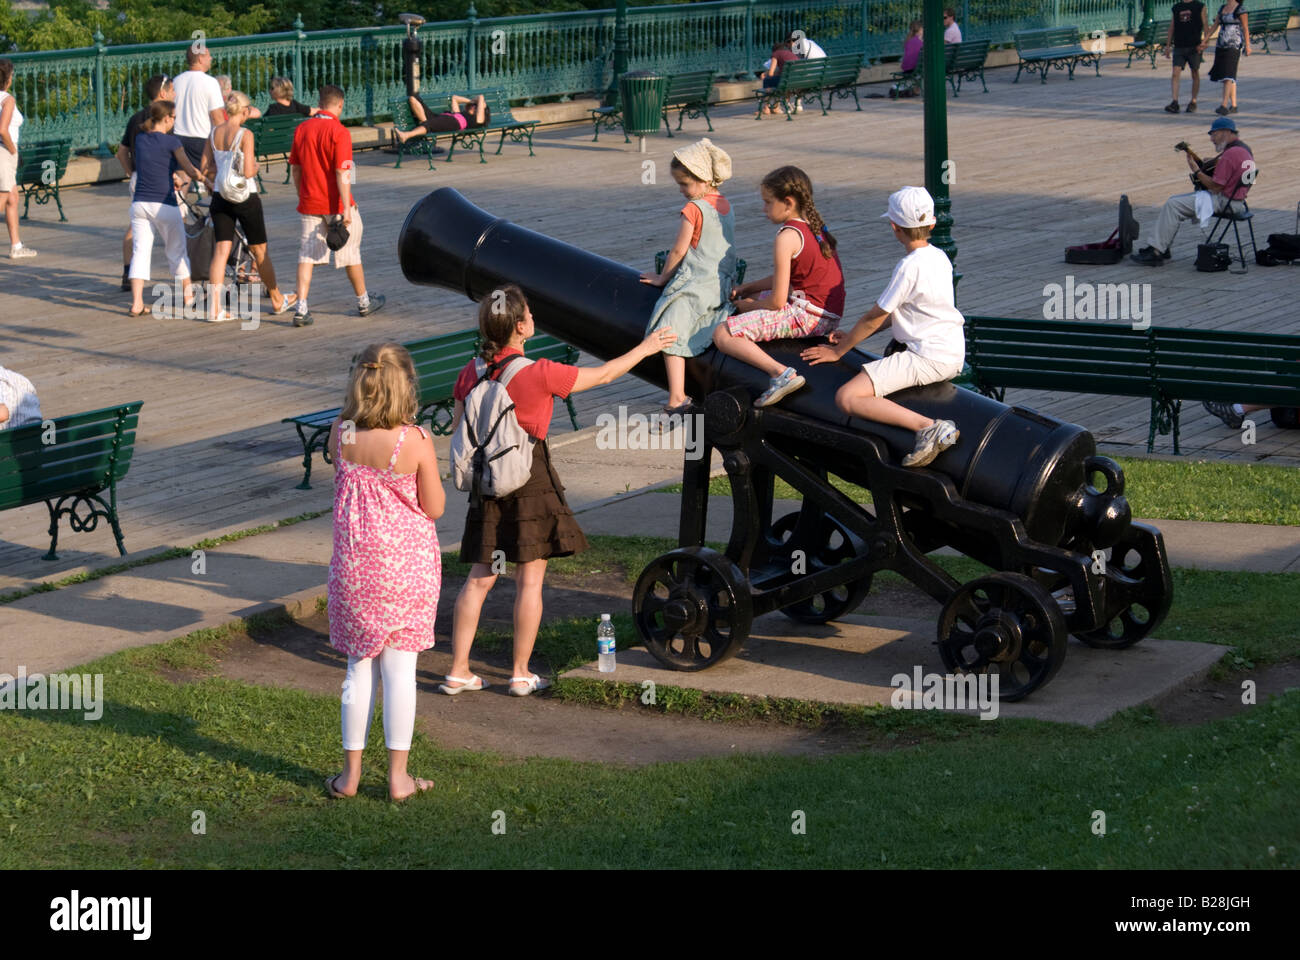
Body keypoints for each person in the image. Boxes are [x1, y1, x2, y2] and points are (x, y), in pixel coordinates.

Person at [441, 285, 676, 697]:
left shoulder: (469, 372)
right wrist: (647, 346)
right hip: (529, 482)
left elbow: (463, 429)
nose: (534, 318)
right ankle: (519, 672)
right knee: (529, 582)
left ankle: (458, 670)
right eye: (529, 314)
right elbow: (603, 375)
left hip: (488, 488)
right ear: (520, 327)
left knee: (480, 578)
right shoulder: (539, 372)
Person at [324, 342, 445, 802]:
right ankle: (398, 778)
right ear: (405, 386)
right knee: (401, 672)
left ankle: (349, 775)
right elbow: (433, 507)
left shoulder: (341, 433)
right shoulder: (413, 441)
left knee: (358, 669)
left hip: (356, 569)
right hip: (408, 571)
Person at [801, 186, 964, 468]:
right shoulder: (940, 258)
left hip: (926, 356)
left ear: (894, 227)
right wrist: (851, 338)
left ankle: (928, 427)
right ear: (933, 223)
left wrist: (839, 350)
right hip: (950, 352)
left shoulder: (908, 266)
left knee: (848, 397)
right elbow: (899, 314)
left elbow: (875, 316)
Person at [712, 165, 844, 407]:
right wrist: (747, 289)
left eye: (767, 202)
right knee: (753, 297)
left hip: (808, 316)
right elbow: (789, 278)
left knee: (723, 333)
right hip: (825, 312)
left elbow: (777, 302)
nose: (764, 209)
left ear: (788, 202)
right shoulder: (814, 228)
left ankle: (780, 373)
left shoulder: (786, 237)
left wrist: (744, 306)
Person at [639, 138, 736, 414]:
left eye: (685, 184)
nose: (682, 190)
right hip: (720, 283)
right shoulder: (726, 205)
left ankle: (677, 396)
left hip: (696, 284)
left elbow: (679, 250)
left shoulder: (694, 209)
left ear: (703, 179)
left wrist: (662, 278)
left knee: (668, 330)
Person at [289, 85, 385, 327]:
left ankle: (301, 308)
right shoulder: (340, 132)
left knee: (306, 256)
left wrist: (301, 194)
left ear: (320, 103)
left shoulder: (302, 128)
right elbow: (343, 171)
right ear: (340, 105)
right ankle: (364, 302)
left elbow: (296, 169)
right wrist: (345, 207)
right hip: (335, 203)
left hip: (310, 202)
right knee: (350, 252)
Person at [200, 90, 296, 321]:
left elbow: (204, 166)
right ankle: (276, 299)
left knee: (222, 250)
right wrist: (257, 168)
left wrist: (221, 172)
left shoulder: (213, 133)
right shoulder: (245, 134)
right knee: (259, 250)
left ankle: (214, 309)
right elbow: (247, 171)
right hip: (245, 197)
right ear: (243, 112)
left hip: (220, 196)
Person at [1130, 116, 1253, 265]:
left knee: (1173, 204)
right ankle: (1162, 245)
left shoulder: (1230, 155)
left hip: (1225, 202)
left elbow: (1215, 186)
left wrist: (1196, 171)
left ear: (1225, 132)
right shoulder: (1244, 149)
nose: (1211, 139)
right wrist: (1215, 162)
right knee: (1175, 202)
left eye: (1213, 134)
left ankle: (1157, 251)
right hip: (1239, 201)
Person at [126, 100, 209, 317]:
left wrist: (170, 175)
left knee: (140, 251)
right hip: (164, 203)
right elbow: (190, 170)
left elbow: (153, 164)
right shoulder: (172, 142)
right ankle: (189, 297)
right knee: (177, 250)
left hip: (140, 203)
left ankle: (136, 303)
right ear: (167, 118)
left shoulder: (141, 138)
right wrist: (204, 179)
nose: (175, 121)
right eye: (174, 117)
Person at [118, 73, 174, 290]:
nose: (175, 94)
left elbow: (122, 152)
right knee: (175, 228)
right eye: (171, 90)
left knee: (136, 226)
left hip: (139, 179)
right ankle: (186, 277)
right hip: (161, 180)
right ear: (162, 94)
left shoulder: (136, 118)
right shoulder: (167, 119)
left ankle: (127, 272)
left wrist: (131, 172)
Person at [0, 59, 35, 259]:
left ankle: (16, 245)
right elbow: (3, 130)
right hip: (5, 152)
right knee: (3, 198)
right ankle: (16, 246)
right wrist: (13, 151)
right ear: (7, 78)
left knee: (12, 198)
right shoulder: (8, 100)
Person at [171, 46, 224, 170]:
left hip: (178, 137)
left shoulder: (176, 81)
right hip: (201, 138)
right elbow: (217, 118)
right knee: (211, 175)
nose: (211, 58)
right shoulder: (210, 82)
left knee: (183, 176)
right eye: (208, 56)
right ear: (200, 59)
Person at [1204, 0, 1250, 115]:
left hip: (1234, 44)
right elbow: (1215, 26)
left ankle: (1224, 105)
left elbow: (1245, 27)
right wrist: (1205, 40)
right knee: (1229, 74)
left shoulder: (1240, 9)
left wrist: (1248, 46)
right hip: (1221, 44)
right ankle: (1234, 105)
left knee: (1228, 75)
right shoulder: (1222, 8)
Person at [392, 92, 489, 144]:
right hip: (441, 118)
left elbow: (481, 97)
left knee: (430, 124)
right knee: (413, 99)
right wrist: (471, 102)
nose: (474, 106)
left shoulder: (477, 120)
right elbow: (455, 98)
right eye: (475, 105)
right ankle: (425, 125)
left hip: (452, 122)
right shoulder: (461, 113)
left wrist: (479, 101)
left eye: (477, 106)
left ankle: (407, 135)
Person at [1164, 1, 1209, 113]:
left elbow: (1205, 24)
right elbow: (1172, 26)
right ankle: (1175, 101)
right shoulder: (1177, 7)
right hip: (1179, 45)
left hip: (1194, 45)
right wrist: (1168, 45)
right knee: (1175, 72)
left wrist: (1205, 41)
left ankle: (1193, 101)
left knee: (1194, 72)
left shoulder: (1200, 6)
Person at [759, 41, 799, 115]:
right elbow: (780, 72)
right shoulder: (790, 54)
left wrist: (764, 74)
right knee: (778, 81)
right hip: (796, 80)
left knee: (767, 81)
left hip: (786, 81)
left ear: (774, 50)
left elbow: (771, 73)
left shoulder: (776, 54)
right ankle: (776, 107)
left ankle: (766, 108)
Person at [0, 362, 41, 431]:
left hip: (11, 439)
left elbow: (2, 414)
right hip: (36, 435)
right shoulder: (20, 379)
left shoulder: (2, 382)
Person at [894, 21, 924, 98]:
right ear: (920, 30)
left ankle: (916, 89)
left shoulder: (908, 41)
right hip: (917, 69)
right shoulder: (921, 42)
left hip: (907, 68)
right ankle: (916, 89)